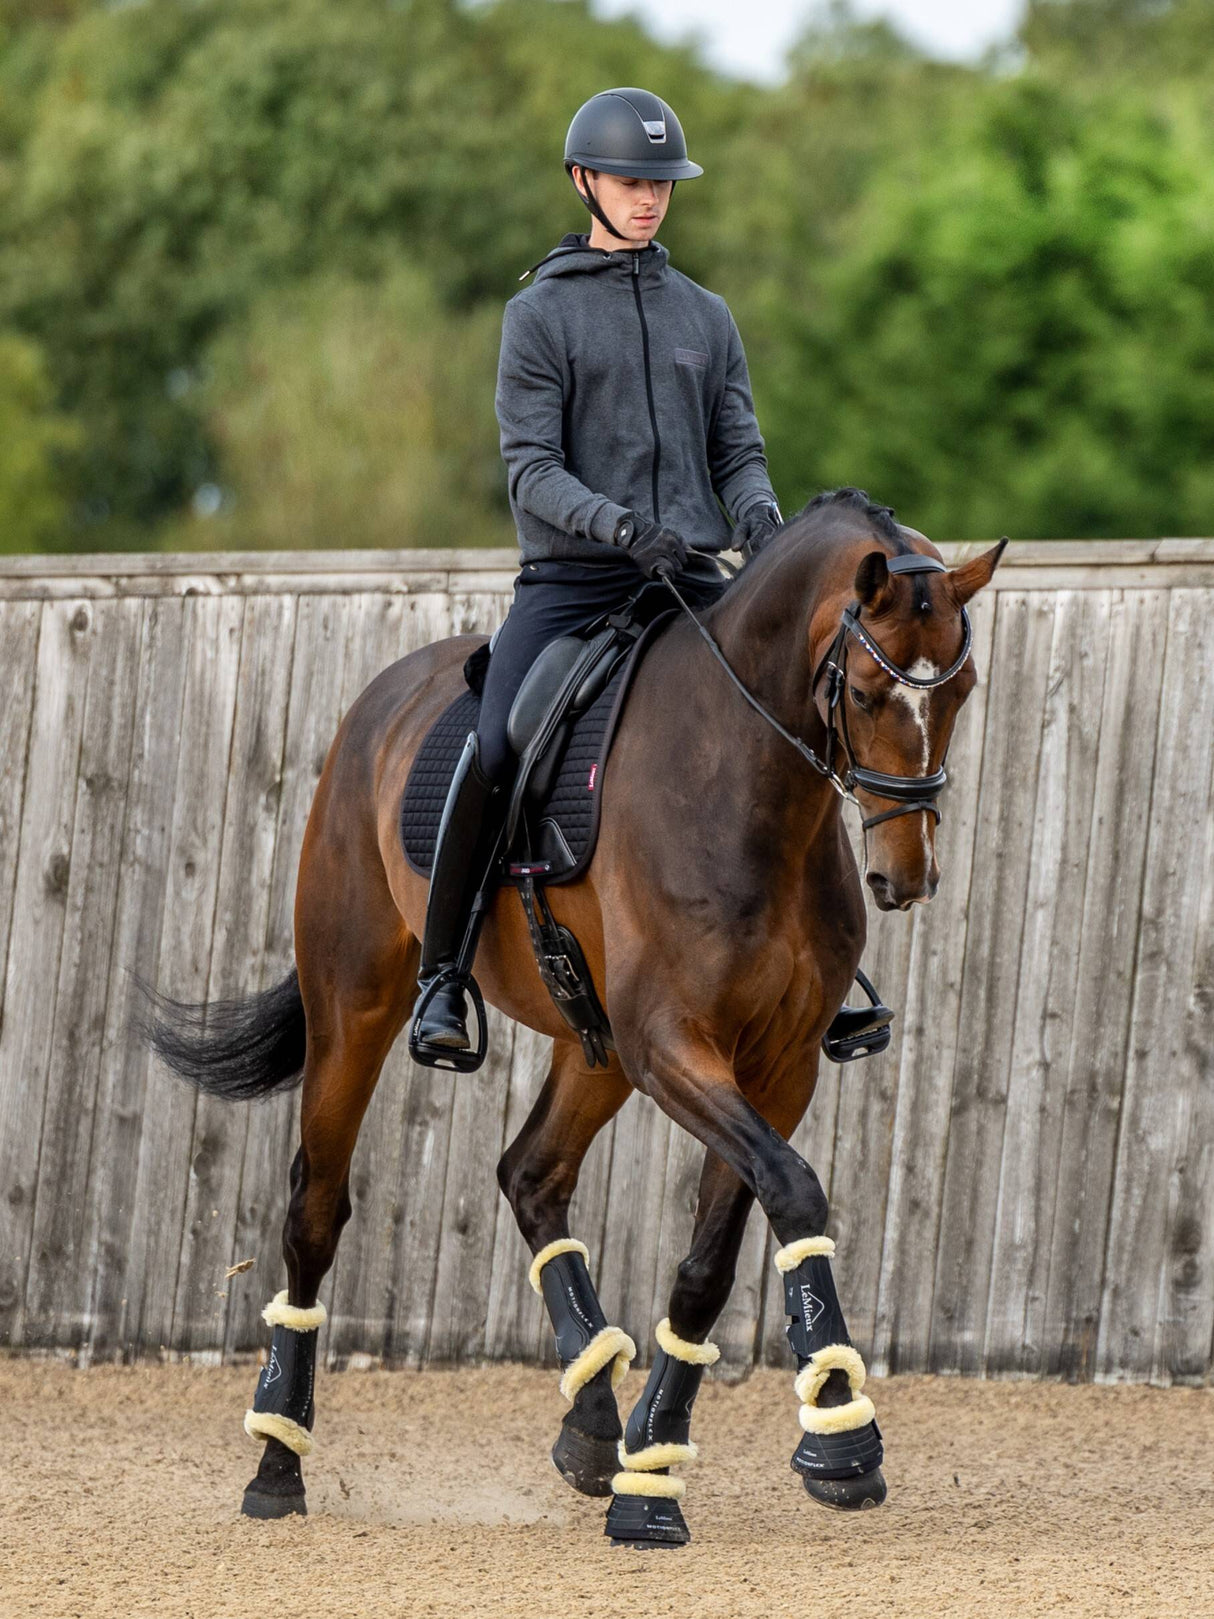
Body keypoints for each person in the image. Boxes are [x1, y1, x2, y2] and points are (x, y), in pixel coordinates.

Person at [410, 87, 886, 1066]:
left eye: (661, 184)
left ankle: (821, 968)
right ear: (583, 179)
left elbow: (739, 449)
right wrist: (620, 524)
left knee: (794, 720)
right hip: (575, 580)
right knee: (497, 740)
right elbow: (531, 467)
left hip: (691, 578)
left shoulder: (704, 316)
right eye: (631, 181)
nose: (649, 199)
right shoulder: (538, 314)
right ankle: (442, 977)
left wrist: (756, 523)